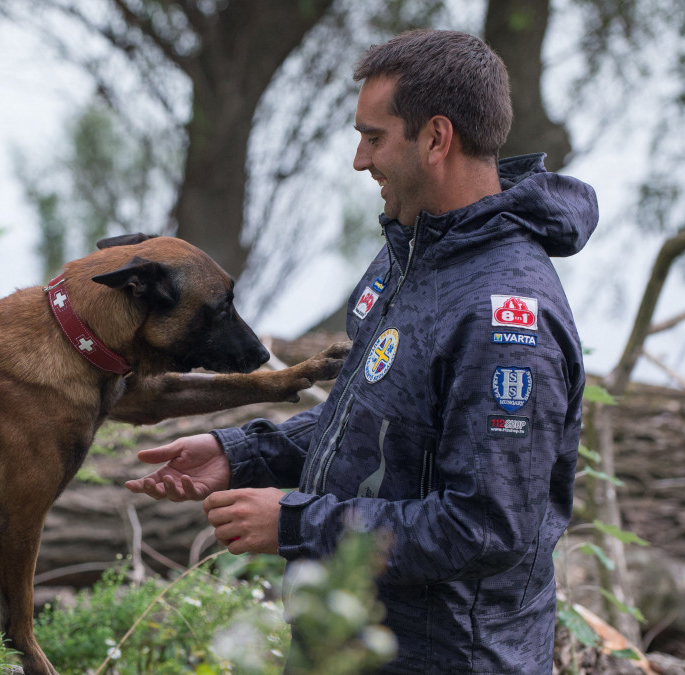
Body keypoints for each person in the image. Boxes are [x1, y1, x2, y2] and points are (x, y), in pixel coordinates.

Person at [125, 29, 598, 674]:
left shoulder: (504, 317)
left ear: (436, 138)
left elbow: (485, 526)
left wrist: (296, 525)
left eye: (373, 137)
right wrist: (243, 455)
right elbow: (375, 415)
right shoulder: (409, 255)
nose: (358, 160)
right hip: (349, 643)